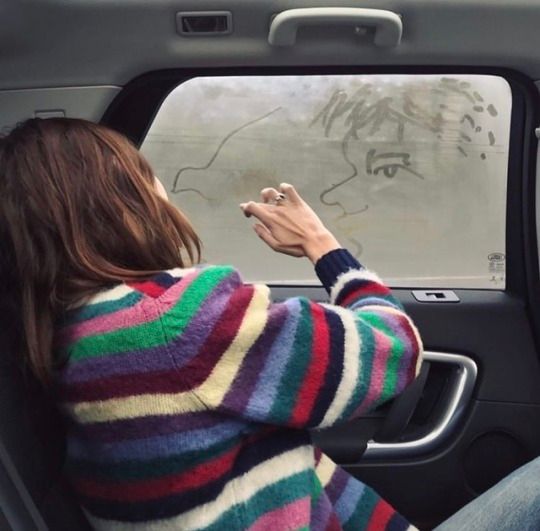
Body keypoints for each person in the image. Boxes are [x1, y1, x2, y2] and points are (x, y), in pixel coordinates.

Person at [0, 117, 423, 530]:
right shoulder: (175, 323)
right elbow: (395, 348)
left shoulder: (64, 333)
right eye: (144, 174)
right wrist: (321, 244)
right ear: (118, 199)